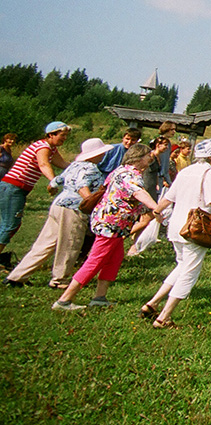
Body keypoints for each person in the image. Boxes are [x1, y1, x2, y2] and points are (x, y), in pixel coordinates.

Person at [140, 139, 211, 328]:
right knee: (190, 272)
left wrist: (156, 212)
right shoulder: (210, 174)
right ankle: (164, 317)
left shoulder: (186, 171)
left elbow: (169, 198)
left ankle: (152, 304)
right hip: (194, 228)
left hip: (176, 226)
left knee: (182, 265)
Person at [51, 144, 162, 310]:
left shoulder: (120, 170)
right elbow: (137, 192)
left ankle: (100, 297)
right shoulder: (130, 174)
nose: (150, 159)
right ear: (139, 158)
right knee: (95, 261)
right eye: (148, 156)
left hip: (115, 224)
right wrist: (156, 207)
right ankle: (64, 300)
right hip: (111, 224)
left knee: (114, 259)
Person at [4, 137, 109, 288]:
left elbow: (56, 181)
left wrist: (53, 187)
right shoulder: (91, 169)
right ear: (95, 154)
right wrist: (91, 203)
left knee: (44, 243)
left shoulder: (75, 165)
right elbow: (82, 186)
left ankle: (17, 276)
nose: (103, 156)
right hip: (73, 209)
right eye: (101, 153)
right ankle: (60, 280)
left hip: (58, 206)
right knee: (70, 244)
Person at [0, 121, 71, 267]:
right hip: (13, 188)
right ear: (51, 135)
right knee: (10, 225)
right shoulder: (43, 147)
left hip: (16, 189)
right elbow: (44, 164)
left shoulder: (50, 149)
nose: (64, 138)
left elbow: (63, 164)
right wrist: (53, 181)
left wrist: (81, 166)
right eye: (62, 135)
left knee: (10, 224)